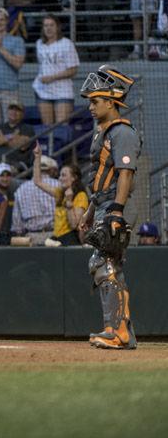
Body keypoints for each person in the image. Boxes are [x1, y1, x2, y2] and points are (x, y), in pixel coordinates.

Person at [78, 65, 140, 350]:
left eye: (95, 101)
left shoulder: (121, 132)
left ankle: (117, 331)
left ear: (111, 102)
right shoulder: (101, 131)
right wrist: (91, 210)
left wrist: (116, 209)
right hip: (103, 204)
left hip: (115, 205)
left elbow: (125, 173)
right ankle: (119, 331)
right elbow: (100, 176)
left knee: (106, 265)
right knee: (106, 265)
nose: (91, 107)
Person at [32, 144, 87, 246]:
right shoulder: (59, 193)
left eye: (64, 175)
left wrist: (69, 202)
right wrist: (37, 157)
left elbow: (74, 224)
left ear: (74, 177)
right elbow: (37, 181)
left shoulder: (81, 196)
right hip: (57, 237)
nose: (60, 178)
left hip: (70, 238)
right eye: (60, 175)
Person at [33, 15, 80, 125]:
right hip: (44, 91)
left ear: (57, 27)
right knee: (47, 128)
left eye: (51, 25)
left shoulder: (66, 44)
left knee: (61, 127)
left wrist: (52, 77)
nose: (48, 28)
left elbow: (73, 70)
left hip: (63, 92)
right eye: (46, 25)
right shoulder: (39, 44)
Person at [11, 154, 59, 245]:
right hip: (54, 235)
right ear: (51, 170)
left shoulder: (21, 188)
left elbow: (17, 225)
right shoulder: (59, 185)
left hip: (31, 237)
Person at [0, 100, 35, 167]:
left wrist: (1, 139)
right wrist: (11, 137)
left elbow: (22, 146)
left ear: (22, 114)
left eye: (17, 110)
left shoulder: (28, 128)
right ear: (7, 111)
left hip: (15, 162)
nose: (14, 112)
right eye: (11, 109)